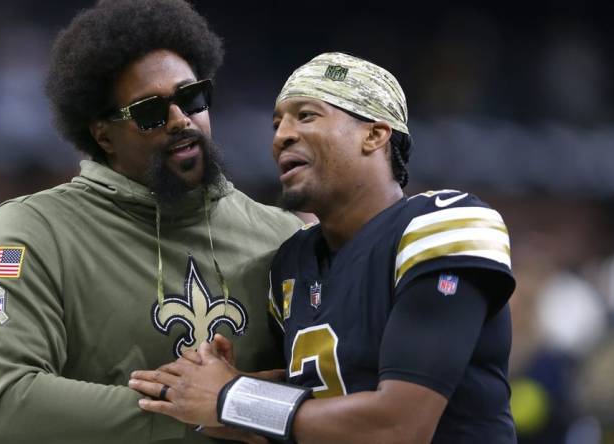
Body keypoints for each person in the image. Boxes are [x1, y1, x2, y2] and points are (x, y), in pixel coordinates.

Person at [129, 52, 517, 443]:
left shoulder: (443, 223)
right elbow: (321, 398)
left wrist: (233, 397)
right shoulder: (291, 261)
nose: (281, 137)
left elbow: (399, 426)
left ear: (375, 135)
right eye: (278, 123)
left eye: (307, 115)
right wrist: (218, 387)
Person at [0, 1, 301, 443]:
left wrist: (233, 402)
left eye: (191, 97)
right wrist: (202, 407)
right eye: (149, 113)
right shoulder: (33, 231)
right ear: (103, 135)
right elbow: (2, 406)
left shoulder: (284, 235)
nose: (181, 120)